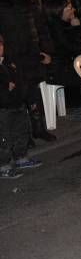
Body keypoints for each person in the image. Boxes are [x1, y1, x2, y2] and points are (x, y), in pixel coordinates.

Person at [0, 0, 55, 143]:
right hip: (11, 55)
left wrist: (46, 50)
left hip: (31, 52)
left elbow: (41, 26)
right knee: (17, 95)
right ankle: (24, 135)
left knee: (33, 91)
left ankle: (39, 128)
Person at [44, 0, 81, 122]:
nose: (73, 10)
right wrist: (77, 28)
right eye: (69, 8)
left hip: (64, 66)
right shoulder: (56, 29)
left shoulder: (61, 25)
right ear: (59, 11)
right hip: (55, 70)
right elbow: (76, 49)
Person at [0, 33, 39, 178]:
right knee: (4, 137)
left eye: (1, 44)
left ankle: (21, 157)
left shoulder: (10, 63)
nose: (0, 48)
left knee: (21, 131)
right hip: (3, 108)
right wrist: (5, 88)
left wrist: (29, 99)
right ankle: (3, 165)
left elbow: (22, 81)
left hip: (18, 104)